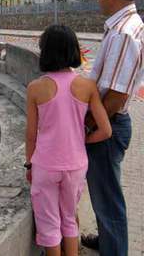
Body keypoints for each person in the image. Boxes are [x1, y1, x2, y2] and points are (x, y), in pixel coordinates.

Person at [25, 25, 112, 256]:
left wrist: (29, 164)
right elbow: (105, 131)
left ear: (45, 52)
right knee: (69, 220)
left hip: (45, 165)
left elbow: (31, 134)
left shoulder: (35, 88)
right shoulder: (87, 86)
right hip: (75, 165)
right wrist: (81, 139)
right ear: (74, 50)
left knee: (48, 224)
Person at [81, 0, 144, 255]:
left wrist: (88, 125)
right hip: (112, 122)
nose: (97, 0)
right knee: (105, 193)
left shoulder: (122, 33)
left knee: (108, 199)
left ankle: (114, 249)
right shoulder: (132, 26)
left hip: (109, 123)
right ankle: (108, 241)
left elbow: (116, 96)